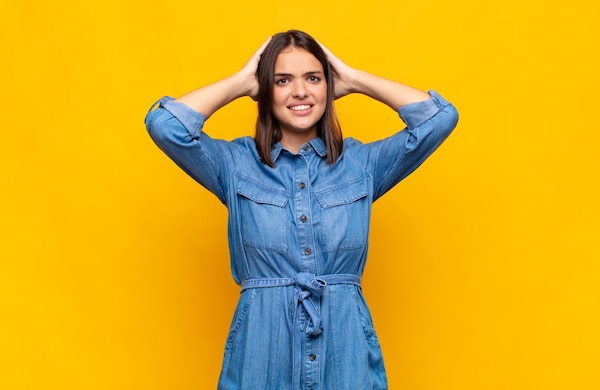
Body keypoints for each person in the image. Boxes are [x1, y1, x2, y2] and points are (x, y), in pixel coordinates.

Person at [145, 29, 458, 390]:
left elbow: (439, 118)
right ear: (266, 91)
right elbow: (165, 125)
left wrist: (354, 79)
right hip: (261, 353)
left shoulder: (362, 164)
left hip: (345, 352)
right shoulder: (235, 165)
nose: (300, 92)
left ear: (329, 86)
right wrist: (242, 81)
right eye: (282, 80)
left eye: (313, 78)